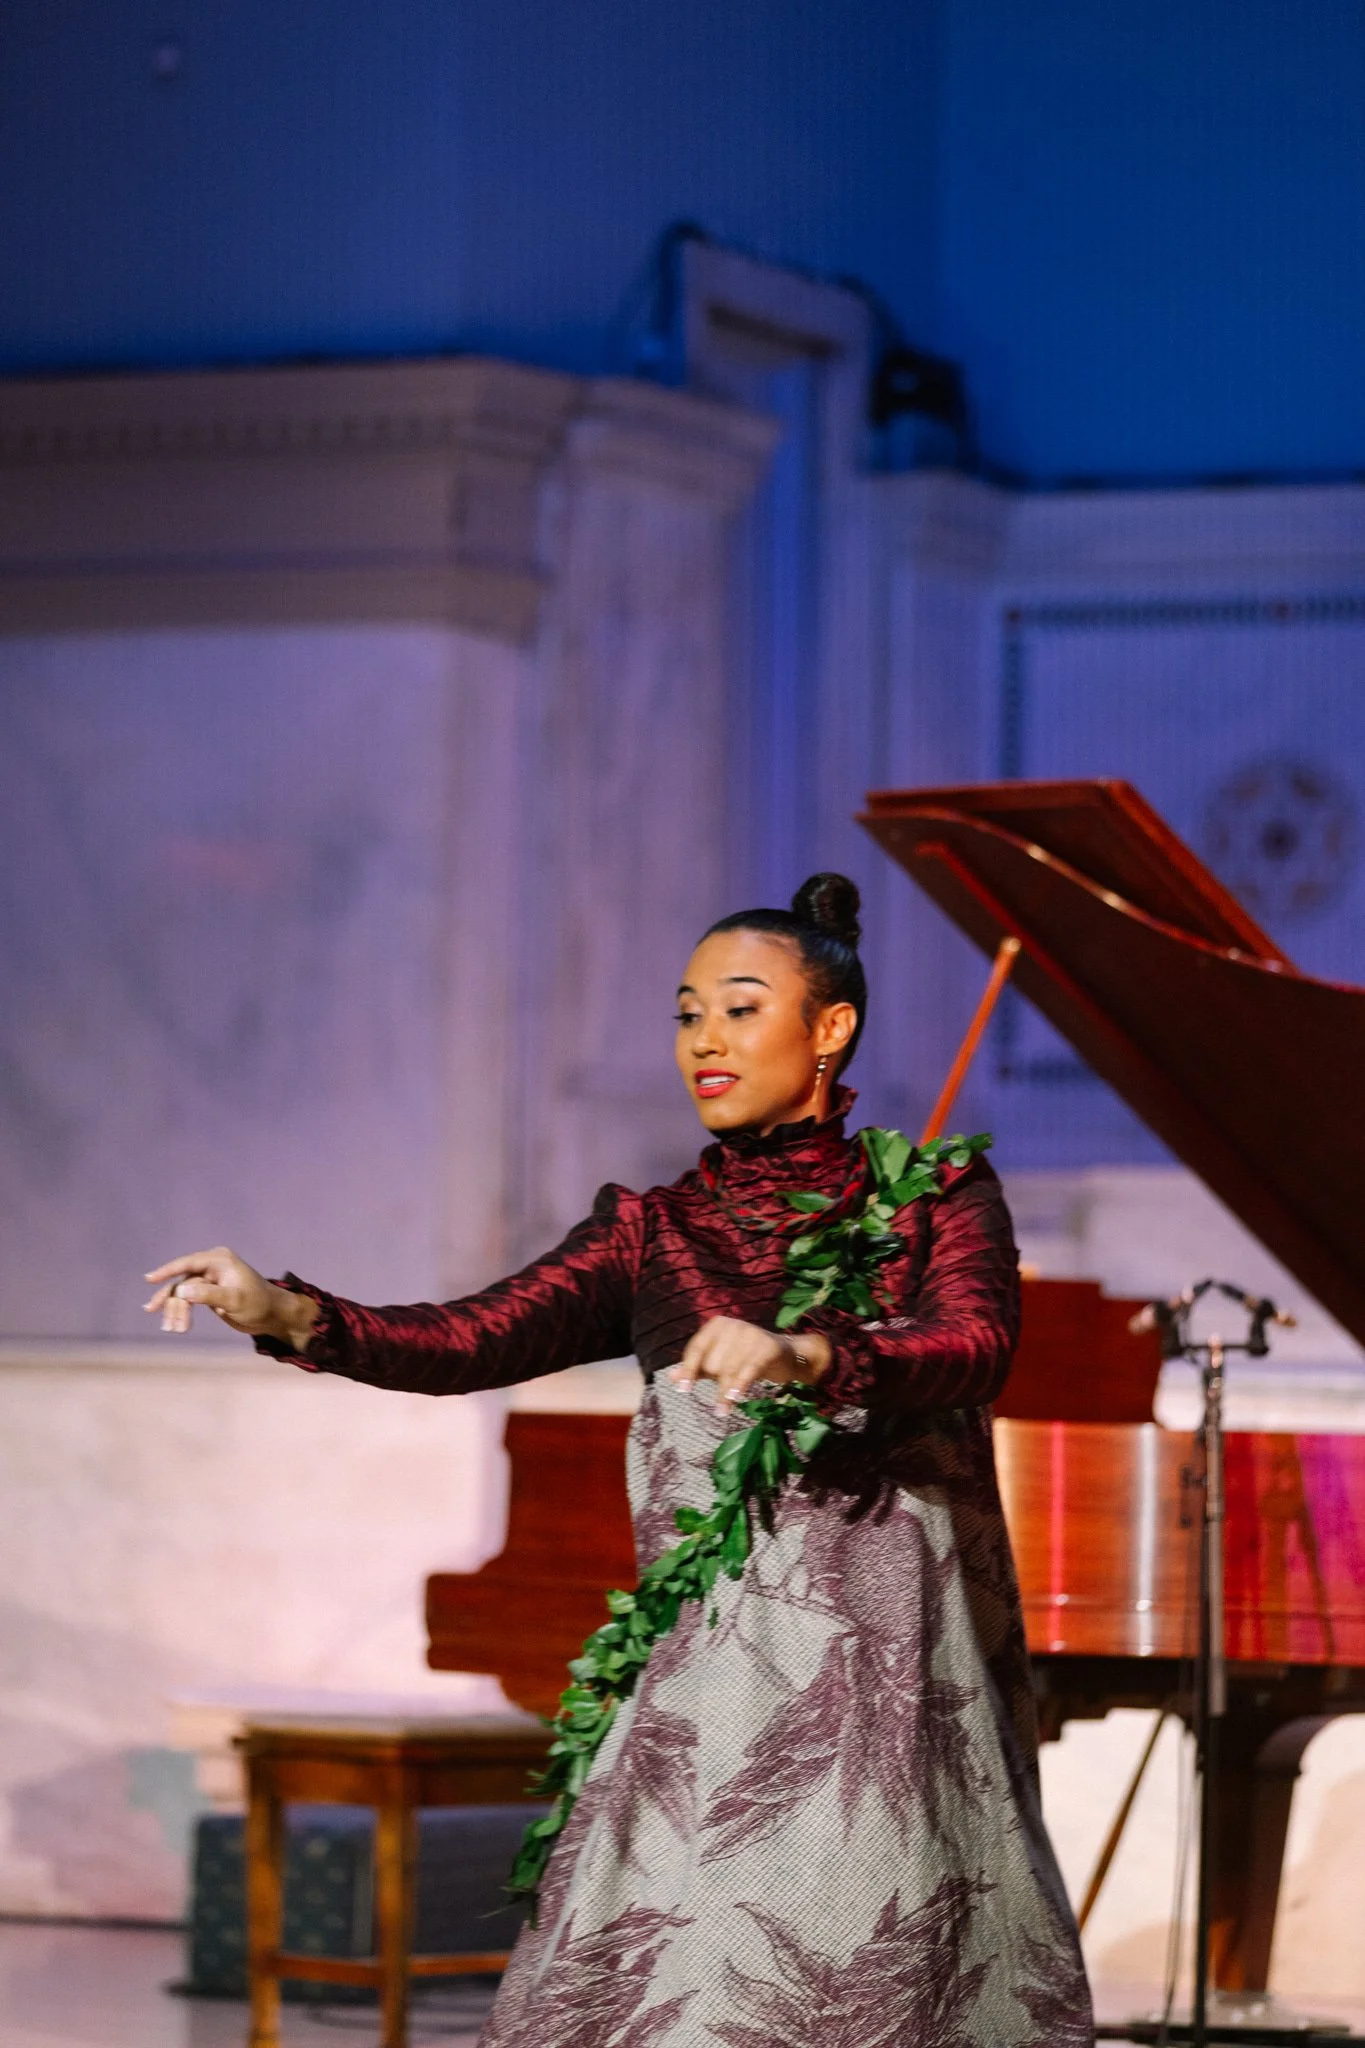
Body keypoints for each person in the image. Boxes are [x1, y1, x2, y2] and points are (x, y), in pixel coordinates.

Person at [145, 872, 1092, 2047]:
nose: (704, 1038)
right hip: (704, 1684)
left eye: (742, 1008)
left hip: (880, 1694)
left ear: (830, 1026)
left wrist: (807, 1349)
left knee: (865, 1970)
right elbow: (469, 1334)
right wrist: (282, 1308)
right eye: (687, 1011)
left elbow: (972, 1345)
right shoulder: (653, 1231)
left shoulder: (936, 1196)